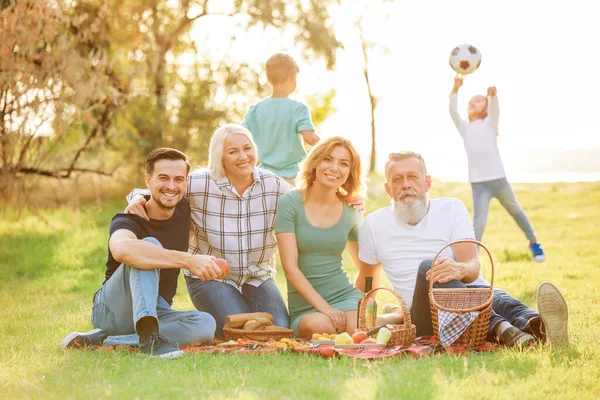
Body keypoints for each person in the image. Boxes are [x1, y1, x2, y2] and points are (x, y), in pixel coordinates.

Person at [357, 151, 569, 347]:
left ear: (427, 182)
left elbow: (473, 266)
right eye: (397, 179)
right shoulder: (374, 225)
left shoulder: (451, 208)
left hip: (471, 293)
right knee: (431, 267)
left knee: (488, 294)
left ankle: (538, 325)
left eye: (412, 177)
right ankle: (502, 328)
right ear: (387, 188)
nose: (406, 185)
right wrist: (352, 318)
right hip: (426, 317)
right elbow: (367, 287)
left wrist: (459, 270)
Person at [125, 125, 293, 337]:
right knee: (239, 330)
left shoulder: (273, 185)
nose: (243, 157)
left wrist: (345, 197)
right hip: (210, 278)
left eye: (247, 148)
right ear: (219, 157)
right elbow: (164, 189)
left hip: (257, 276)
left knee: (280, 329)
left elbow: (303, 200)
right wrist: (137, 199)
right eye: (233, 152)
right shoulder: (200, 183)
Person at [60, 148, 218, 359]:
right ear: (148, 180)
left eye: (178, 179)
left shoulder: (183, 210)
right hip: (113, 309)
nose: (171, 186)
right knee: (148, 246)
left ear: (186, 183)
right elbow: (122, 249)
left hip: (155, 307)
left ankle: (107, 340)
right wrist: (189, 260)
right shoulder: (128, 219)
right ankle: (149, 337)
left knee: (206, 323)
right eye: (163, 178)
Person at [275, 137, 365, 337]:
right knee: (321, 328)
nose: (334, 168)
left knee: (359, 328)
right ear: (315, 162)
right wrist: (326, 308)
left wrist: (366, 296)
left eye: (344, 164)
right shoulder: (290, 203)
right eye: (328, 159)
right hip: (307, 305)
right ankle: (390, 317)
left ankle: (391, 316)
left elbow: (366, 264)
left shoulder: (351, 211)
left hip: (344, 295)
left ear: (350, 172)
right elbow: (290, 268)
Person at [449, 77, 545, 262]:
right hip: (479, 184)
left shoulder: (489, 124)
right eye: (470, 102)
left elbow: (495, 110)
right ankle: (471, 260)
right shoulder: (465, 128)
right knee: (479, 221)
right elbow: (453, 111)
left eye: (478, 101)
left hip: (498, 180)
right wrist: (455, 90)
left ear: (485, 107)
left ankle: (533, 242)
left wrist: (492, 97)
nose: (472, 103)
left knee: (515, 210)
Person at [242, 53, 320, 184]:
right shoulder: (298, 109)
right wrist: (330, 147)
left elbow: (240, 134)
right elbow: (310, 138)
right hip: (294, 177)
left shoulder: (255, 110)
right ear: (292, 78)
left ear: (268, 79)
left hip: (265, 176)